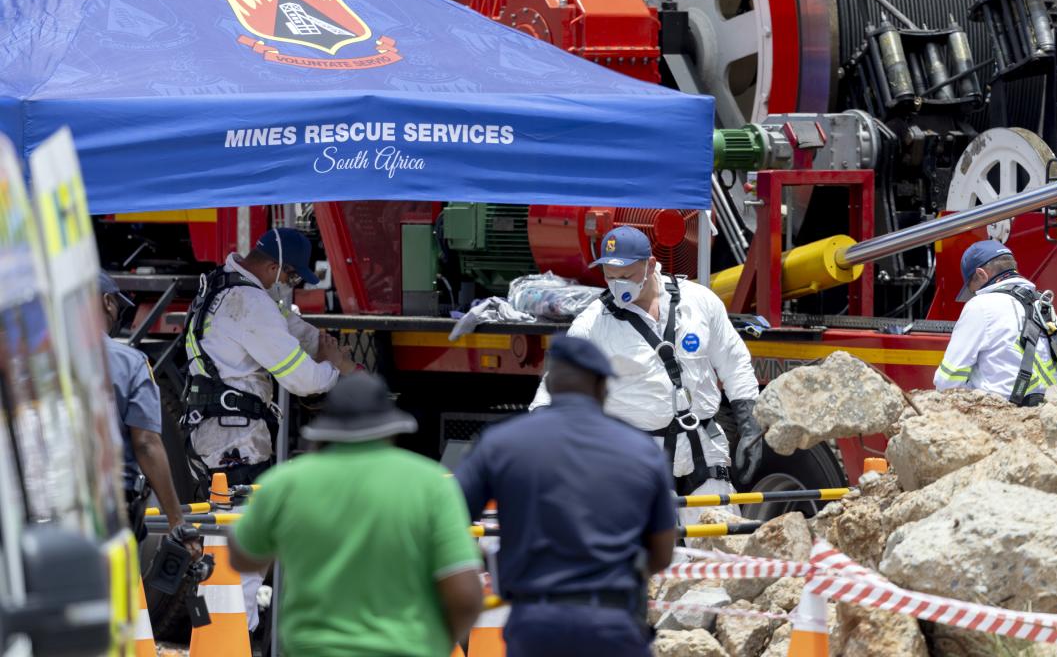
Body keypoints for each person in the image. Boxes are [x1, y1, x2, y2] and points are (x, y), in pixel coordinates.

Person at [229, 372, 483, 657]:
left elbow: (242, 556)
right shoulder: (433, 484)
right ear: (391, 429)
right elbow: (466, 596)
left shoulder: (285, 483)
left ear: (326, 430)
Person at [455, 335, 676, 657]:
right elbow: (663, 554)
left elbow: (447, 517)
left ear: (551, 379)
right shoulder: (641, 449)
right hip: (614, 624)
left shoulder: (502, 442)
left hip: (536, 625)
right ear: (601, 386)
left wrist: (489, 565)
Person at [182, 226, 357, 630]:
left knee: (225, 541)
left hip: (216, 431)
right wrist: (334, 369)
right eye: (292, 277)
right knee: (243, 548)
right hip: (235, 439)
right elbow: (304, 381)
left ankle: (221, 634)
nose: (292, 286)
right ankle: (232, 636)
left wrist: (327, 348)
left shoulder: (224, 285)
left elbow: (290, 331)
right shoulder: (249, 302)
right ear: (274, 267)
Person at [529, 226, 763, 518]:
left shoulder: (698, 302)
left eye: (625, 276)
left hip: (701, 449)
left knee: (719, 554)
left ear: (650, 264)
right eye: (610, 277)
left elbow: (734, 361)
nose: (617, 286)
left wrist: (749, 421)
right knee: (646, 560)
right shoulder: (593, 323)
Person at [98, 272, 198, 559]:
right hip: (111, 509)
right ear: (107, 302)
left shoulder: (32, 360)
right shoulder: (130, 363)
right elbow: (146, 443)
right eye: (118, 306)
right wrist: (176, 520)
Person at [935, 240, 1057, 405]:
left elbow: (947, 380)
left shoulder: (981, 305)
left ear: (981, 274)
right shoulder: (1043, 304)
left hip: (1000, 413)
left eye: (971, 288)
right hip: (1046, 408)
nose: (974, 293)